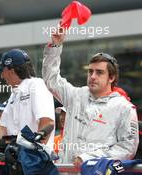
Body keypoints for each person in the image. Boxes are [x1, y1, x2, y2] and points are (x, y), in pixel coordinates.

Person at [42, 30, 139, 166]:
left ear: (111, 78)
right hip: (65, 171)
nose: (93, 76)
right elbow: (50, 79)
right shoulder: (75, 96)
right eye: (90, 71)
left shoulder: (124, 108)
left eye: (99, 73)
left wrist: (89, 159)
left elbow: (128, 148)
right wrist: (55, 47)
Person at [0, 48, 55, 169]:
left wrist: (32, 157)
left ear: (11, 70)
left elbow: (47, 122)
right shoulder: (15, 94)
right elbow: (1, 129)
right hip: (18, 165)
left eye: (2, 71)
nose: (2, 76)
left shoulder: (37, 85)